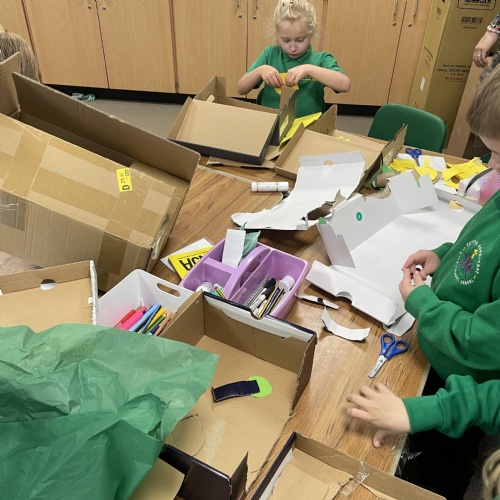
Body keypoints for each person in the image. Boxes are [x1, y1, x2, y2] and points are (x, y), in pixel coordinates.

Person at [347, 60, 500, 498]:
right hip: (439, 360)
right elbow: (478, 245)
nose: (491, 168)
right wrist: (443, 255)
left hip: (460, 387)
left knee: (428, 474)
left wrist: (423, 304)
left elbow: (479, 343)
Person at [236, 0, 350, 118]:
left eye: (300, 40)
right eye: (286, 40)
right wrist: (260, 70)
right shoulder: (269, 54)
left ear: (311, 32)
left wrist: (309, 69)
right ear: (277, 33)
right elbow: (241, 89)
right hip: (270, 123)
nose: (293, 48)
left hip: (307, 126)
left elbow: (345, 85)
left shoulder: (321, 59)